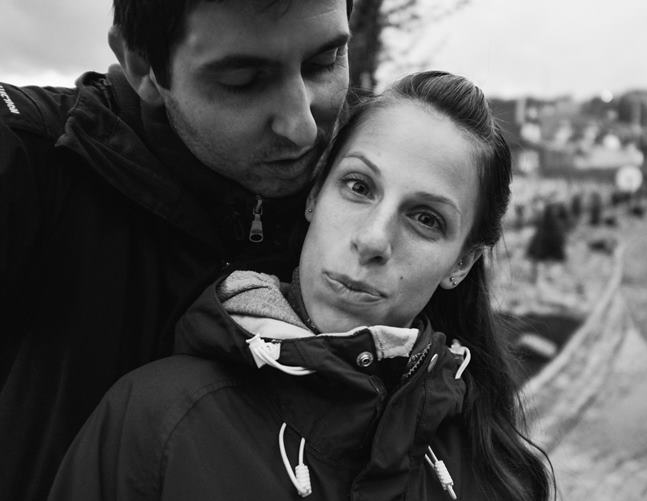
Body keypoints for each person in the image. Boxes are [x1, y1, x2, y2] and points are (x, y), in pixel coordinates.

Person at [49, 71, 552, 501]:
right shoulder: (156, 421)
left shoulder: (500, 473)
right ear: (315, 195)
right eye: (358, 187)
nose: (373, 240)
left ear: (461, 262)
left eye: (425, 218)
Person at [0, 1, 352, 499]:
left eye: (325, 62)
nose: (303, 127)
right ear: (141, 64)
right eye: (243, 80)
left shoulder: (388, 172)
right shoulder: (27, 159)